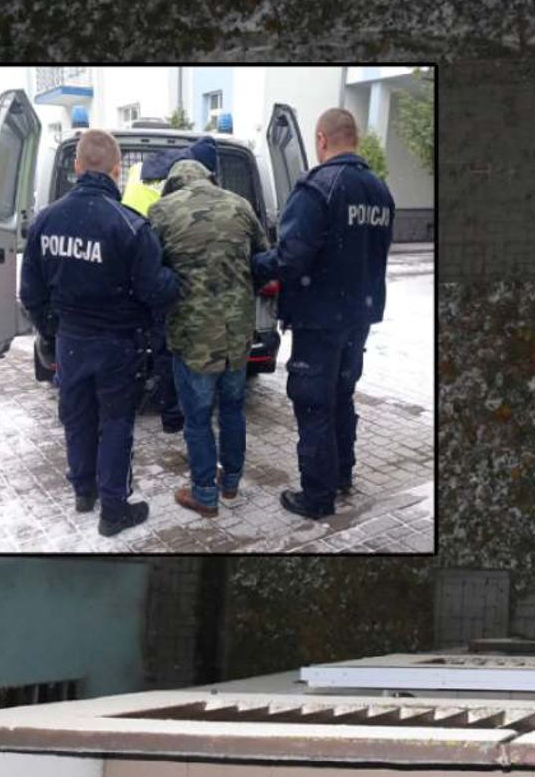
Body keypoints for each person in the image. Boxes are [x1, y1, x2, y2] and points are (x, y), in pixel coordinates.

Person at [19, 129, 179, 537]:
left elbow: (30, 292)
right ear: (116, 170)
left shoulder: (46, 221)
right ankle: (113, 509)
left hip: (71, 341)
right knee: (116, 422)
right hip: (117, 344)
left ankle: (83, 491)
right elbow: (155, 290)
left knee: (77, 417)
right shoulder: (129, 225)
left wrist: (52, 329)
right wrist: (177, 278)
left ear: (77, 166)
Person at [253, 109, 395, 519]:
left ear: (321, 139)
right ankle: (341, 474)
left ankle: (317, 497)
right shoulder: (379, 190)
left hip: (319, 319)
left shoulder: (319, 188)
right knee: (341, 396)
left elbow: (290, 258)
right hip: (358, 316)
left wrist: (255, 264)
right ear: (354, 138)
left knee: (314, 403)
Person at [147, 157, 269, 517]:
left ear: (174, 183)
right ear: (208, 178)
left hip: (194, 339)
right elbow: (263, 260)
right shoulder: (240, 205)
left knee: (198, 418)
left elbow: (151, 273)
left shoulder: (162, 211)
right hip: (237, 335)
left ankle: (204, 492)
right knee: (232, 409)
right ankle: (230, 483)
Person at [122, 137, 221, 434]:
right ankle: (174, 413)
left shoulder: (143, 167)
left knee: (154, 341)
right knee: (169, 345)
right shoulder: (182, 185)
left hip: (134, 255)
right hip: (158, 260)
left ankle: (152, 401)